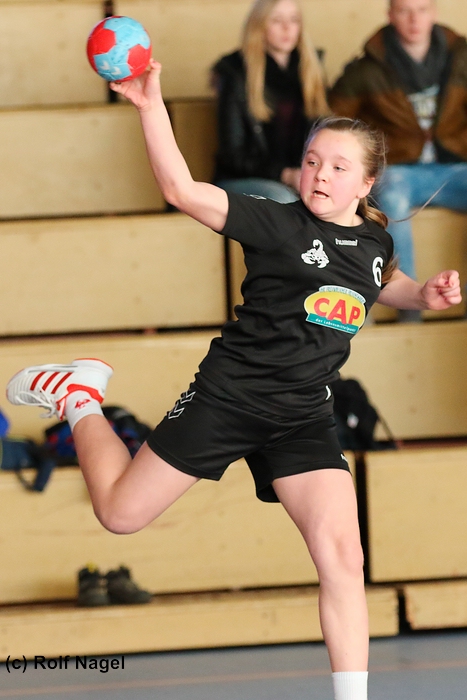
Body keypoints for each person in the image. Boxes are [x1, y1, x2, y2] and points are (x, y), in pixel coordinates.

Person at [6, 60, 461, 700]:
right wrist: (150, 106)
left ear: (367, 183)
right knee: (118, 514)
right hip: (229, 399)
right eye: (312, 161)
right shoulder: (275, 222)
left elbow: (384, 284)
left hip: (302, 416)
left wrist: (425, 295)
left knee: (344, 557)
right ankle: (80, 397)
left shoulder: (374, 243)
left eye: (337, 167)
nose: (319, 174)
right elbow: (180, 189)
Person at [328, 0, 467, 321]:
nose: (414, 19)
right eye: (405, 10)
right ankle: (410, 311)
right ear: (390, 15)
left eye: (422, 9)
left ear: (434, 12)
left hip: (455, 166)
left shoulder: (461, 58)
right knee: (390, 191)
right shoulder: (368, 68)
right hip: (399, 170)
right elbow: (334, 122)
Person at [212, 0, 328, 203]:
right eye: (276, 20)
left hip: (299, 177)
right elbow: (232, 155)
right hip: (242, 179)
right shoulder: (236, 73)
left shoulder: (311, 70)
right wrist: (285, 174)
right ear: (259, 26)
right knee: (283, 199)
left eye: (294, 20)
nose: (287, 28)